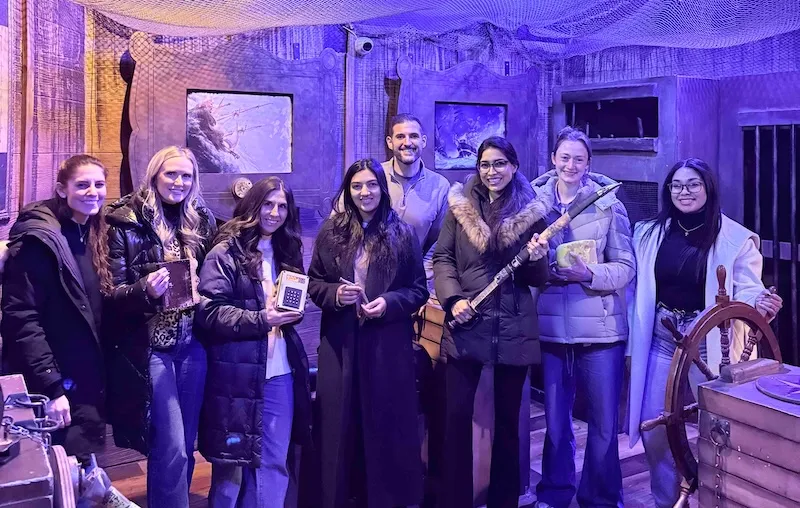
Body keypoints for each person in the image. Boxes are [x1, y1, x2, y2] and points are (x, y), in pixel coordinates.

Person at [627, 158, 783, 507]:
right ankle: (666, 500)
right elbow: (633, 290)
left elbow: (745, 290)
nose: (685, 192)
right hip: (661, 337)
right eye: (677, 185)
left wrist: (760, 301)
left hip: (711, 341)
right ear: (668, 190)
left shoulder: (736, 238)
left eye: (693, 184)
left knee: (719, 430)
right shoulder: (647, 233)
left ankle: (716, 500)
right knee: (654, 429)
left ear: (708, 188)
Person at [433, 136, 551, 508]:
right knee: (455, 418)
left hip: (513, 327)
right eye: (485, 164)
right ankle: (455, 501)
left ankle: (504, 500)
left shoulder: (532, 210)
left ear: (513, 166)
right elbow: (442, 258)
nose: (491, 172)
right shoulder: (459, 205)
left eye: (499, 164)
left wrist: (537, 258)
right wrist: (452, 301)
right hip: (467, 322)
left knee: (507, 425)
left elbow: (537, 280)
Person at [309, 158, 429, 508]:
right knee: (338, 425)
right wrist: (335, 294)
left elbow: (418, 290)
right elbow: (315, 283)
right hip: (340, 345)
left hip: (386, 346)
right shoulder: (331, 233)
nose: (365, 192)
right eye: (357, 186)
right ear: (348, 191)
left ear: (382, 188)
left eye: (372, 185)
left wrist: (389, 303)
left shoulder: (402, 233)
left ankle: (385, 498)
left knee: (384, 425)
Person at [103, 146, 217, 508]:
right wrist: (145, 290)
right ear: (154, 175)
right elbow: (112, 294)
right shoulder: (126, 220)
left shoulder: (201, 219)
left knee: (185, 446)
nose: (178, 182)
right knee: (171, 448)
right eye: (171, 174)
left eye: (186, 176)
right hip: (152, 348)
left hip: (192, 345)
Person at [530, 127, 635, 508]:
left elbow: (626, 268)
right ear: (553, 159)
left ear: (589, 163)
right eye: (564, 157)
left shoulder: (610, 205)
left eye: (579, 158)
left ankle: (602, 498)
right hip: (552, 327)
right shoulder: (533, 204)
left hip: (602, 331)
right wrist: (540, 265)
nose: (570, 165)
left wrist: (588, 274)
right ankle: (554, 493)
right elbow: (521, 264)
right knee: (556, 424)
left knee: (604, 427)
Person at [197, 176, 312, 508]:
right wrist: (264, 319)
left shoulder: (287, 250)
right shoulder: (225, 251)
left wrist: (291, 312)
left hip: (280, 372)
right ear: (253, 205)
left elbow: (290, 309)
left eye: (281, 207)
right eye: (268, 204)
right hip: (237, 375)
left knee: (275, 464)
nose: (274, 213)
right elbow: (210, 313)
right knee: (230, 470)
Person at [2, 155, 111, 463]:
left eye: (99, 184)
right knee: (55, 473)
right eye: (82, 184)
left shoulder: (93, 231)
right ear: (62, 190)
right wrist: (51, 388)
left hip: (86, 378)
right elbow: (22, 320)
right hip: (55, 383)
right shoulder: (40, 242)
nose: (93, 192)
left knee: (81, 469)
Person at [334, 114, 450, 292]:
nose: (407, 142)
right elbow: (337, 224)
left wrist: (421, 274)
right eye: (400, 136)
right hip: (363, 281)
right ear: (390, 142)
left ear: (424, 141)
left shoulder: (440, 186)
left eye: (414, 136)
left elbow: (440, 240)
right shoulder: (371, 176)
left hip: (408, 287)